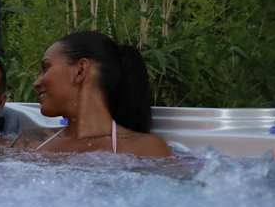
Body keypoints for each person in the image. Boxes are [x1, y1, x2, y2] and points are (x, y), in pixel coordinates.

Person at [11, 31, 171, 157]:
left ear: (80, 70)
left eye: (46, 68)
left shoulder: (145, 149)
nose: (36, 83)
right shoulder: (30, 142)